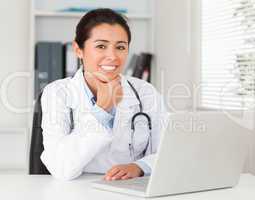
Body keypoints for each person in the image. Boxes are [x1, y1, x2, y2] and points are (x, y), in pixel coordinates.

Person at [40, 8, 169, 181]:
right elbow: (60, 167)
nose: (112, 56)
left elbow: (167, 152)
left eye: (120, 47)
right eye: (101, 46)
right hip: (77, 191)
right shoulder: (57, 93)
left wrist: (140, 166)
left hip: (131, 189)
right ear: (78, 50)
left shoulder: (145, 92)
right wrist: (101, 110)